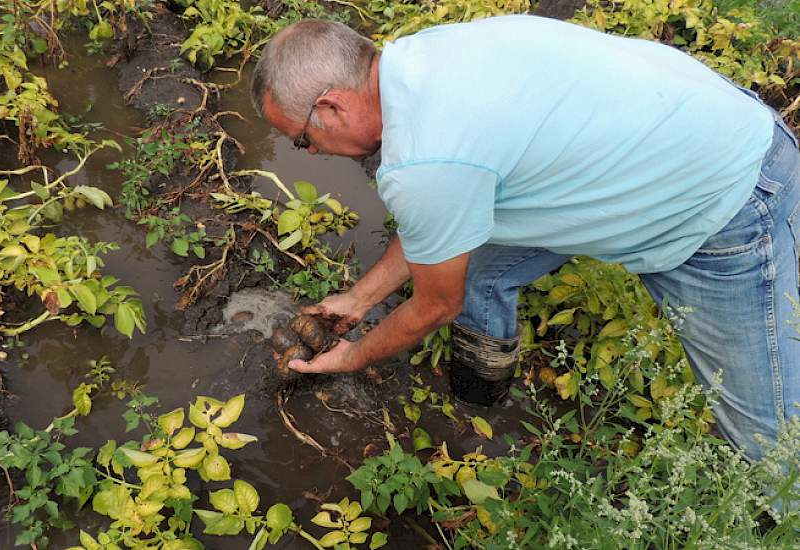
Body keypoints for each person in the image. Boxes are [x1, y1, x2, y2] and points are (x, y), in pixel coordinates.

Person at [250, 16, 800, 463]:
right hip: (674, 123)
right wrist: (357, 301)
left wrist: (354, 356)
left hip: (724, 196)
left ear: (331, 107)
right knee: (483, 272)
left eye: (301, 142)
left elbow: (437, 302)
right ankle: (479, 397)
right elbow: (439, 222)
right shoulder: (419, 58)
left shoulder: (423, 159)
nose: (312, 154)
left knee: (767, 435)